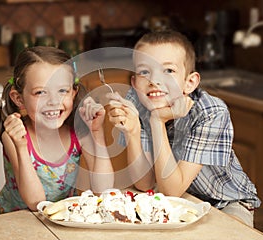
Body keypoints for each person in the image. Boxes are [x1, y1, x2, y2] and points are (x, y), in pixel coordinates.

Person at [107, 30, 261, 227]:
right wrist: (133, 132)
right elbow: (144, 184)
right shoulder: (136, 101)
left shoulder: (211, 112)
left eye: (168, 71)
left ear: (189, 83)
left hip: (225, 203)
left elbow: (172, 189)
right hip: (180, 199)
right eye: (145, 71)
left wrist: (156, 121)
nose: (154, 80)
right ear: (135, 83)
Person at [0, 46, 114, 214]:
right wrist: (21, 147)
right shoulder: (15, 137)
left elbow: (103, 190)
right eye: (40, 92)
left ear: (74, 93)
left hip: (59, 220)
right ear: (19, 99)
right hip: (18, 223)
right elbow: (36, 203)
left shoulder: (79, 132)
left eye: (62, 91)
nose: (53, 101)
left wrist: (97, 134)